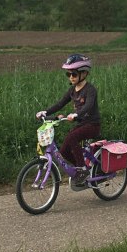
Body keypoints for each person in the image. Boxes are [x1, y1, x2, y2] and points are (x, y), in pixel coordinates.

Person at [36, 54, 100, 188]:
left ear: (84, 73)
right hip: (81, 125)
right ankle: (81, 169)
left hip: (92, 125)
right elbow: (60, 104)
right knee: (64, 151)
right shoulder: (72, 90)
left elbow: (88, 106)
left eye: (74, 74)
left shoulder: (90, 90)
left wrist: (76, 114)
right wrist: (46, 112)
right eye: (69, 74)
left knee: (72, 137)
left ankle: (83, 170)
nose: (71, 77)